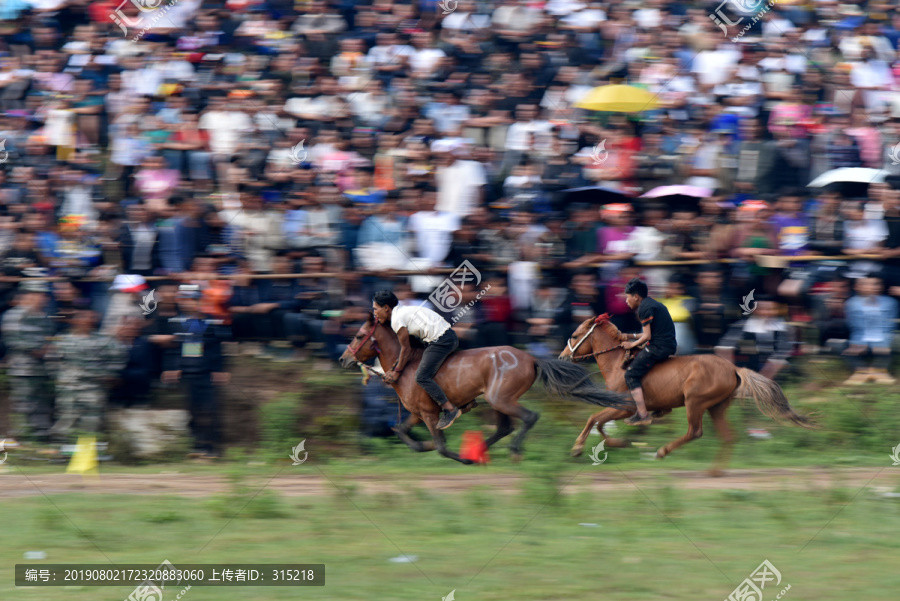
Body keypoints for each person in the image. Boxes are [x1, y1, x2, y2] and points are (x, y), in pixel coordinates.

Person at [372, 290, 461, 430]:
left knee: (421, 377)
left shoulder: (396, 320)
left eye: (376, 309)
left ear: (386, 308)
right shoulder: (403, 311)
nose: (374, 313)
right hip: (446, 336)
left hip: (442, 341)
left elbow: (406, 349)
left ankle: (449, 409)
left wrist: (397, 372)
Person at [619, 278, 678, 426]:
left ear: (636, 297)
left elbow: (647, 336)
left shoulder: (644, 308)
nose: (626, 301)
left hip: (658, 347)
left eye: (628, 297)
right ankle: (662, 406)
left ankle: (642, 414)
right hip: (667, 344)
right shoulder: (653, 304)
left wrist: (631, 344)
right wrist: (630, 336)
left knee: (631, 374)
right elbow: (649, 333)